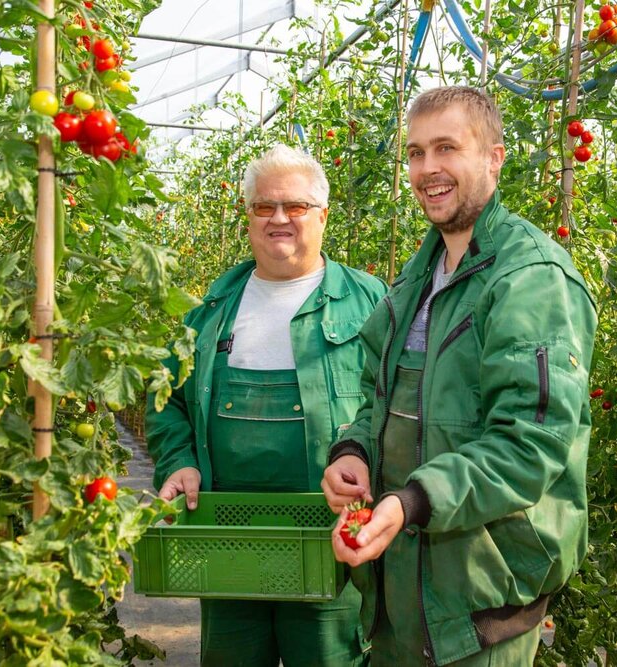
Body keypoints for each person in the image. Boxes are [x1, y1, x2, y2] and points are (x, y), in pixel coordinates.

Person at [321, 86, 598, 666]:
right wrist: (352, 451)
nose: (428, 169)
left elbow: (530, 442)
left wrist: (413, 501)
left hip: (478, 596)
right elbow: (380, 397)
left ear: (494, 157)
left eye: (447, 148)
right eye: (416, 152)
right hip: (401, 578)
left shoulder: (529, 278)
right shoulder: (418, 275)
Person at [145, 143, 386, 667]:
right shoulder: (210, 311)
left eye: (295, 206)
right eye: (264, 207)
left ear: (322, 214)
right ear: (248, 217)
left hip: (330, 538)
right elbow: (165, 398)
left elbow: (398, 400)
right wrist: (179, 460)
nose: (280, 218)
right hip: (228, 536)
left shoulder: (371, 303)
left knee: (328, 657)